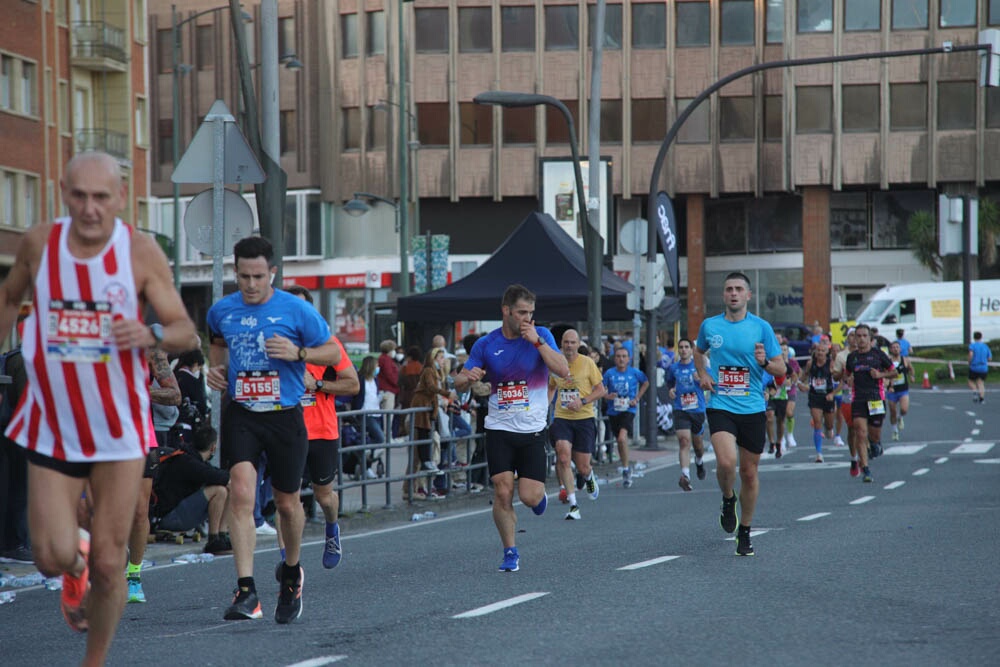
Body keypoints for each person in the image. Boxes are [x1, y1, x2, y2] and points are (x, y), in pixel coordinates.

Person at [0, 151, 198, 665]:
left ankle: (95, 660)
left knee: (113, 564)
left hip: (117, 426)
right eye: (80, 196)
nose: (90, 209)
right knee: (48, 555)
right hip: (53, 421)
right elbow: (8, 298)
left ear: (120, 199)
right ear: (63, 192)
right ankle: (74, 561)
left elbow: (184, 329)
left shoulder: (139, 252)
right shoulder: (39, 244)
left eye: (102, 198)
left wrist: (150, 331)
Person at [206, 235, 342, 625]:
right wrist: (216, 372)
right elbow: (217, 348)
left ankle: (292, 574)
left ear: (273, 274)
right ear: (236, 273)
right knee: (241, 494)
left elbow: (333, 352)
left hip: (285, 416)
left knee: (287, 504)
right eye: (244, 276)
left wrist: (299, 353)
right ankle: (247, 590)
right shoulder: (221, 311)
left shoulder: (296, 310)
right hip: (244, 413)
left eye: (259, 277)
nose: (251, 285)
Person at [455, 284, 568, 572]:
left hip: (531, 430)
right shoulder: (486, 344)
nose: (527, 318)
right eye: (521, 312)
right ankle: (510, 551)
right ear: (506, 311)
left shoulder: (541, 335)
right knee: (503, 491)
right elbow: (458, 381)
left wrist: (538, 343)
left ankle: (538, 498)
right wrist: (468, 377)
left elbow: (563, 370)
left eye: (531, 312)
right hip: (499, 428)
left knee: (528, 496)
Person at [694, 272, 784, 557]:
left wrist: (765, 362)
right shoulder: (710, 326)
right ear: (724, 296)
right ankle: (727, 497)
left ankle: (744, 530)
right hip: (721, 403)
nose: (733, 293)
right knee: (725, 461)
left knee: (748, 471)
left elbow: (781, 369)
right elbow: (698, 351)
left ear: (748, 295)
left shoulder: (761, 328)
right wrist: (702, 373)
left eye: (738, 289)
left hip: (752, 406)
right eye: (729, 289)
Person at [285, 284, 359, 570]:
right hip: (288, 431)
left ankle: (331, 529)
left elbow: (352, 385)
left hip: (322, 432)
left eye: (302, 308)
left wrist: (316, 384)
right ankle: (287, 562)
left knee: (323, 496)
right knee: (286, 499)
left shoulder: (328, 345)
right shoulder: (276, 345)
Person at [125, 345, 181, 604]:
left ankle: (133, 575)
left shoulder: (149, 350)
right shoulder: (91, 342)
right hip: (100, 434)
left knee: (139, 511)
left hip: (140, 438)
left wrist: (141, 391)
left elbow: (174, 394)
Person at [548, 329, 606, 520]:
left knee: (583, 467)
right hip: (562, 417)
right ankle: (573, 504)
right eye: (566, 342)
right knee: (563, 457)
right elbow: (551, 387)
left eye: (573, 342)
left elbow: (600, 390)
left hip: (583, 418)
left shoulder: (587, 363)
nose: (569, 346)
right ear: (561, 344)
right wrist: (542, 410)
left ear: (579, 344)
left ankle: (589, 478)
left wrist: (582, 401)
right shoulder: (555, 363)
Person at [150, 425, 231, 554]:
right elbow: (217, 476)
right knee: (220, 490)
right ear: (213, 447)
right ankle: (214, 539)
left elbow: (215, 473)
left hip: (171, 513)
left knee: (226, 487)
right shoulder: (189, 463)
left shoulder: (189, 458)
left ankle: (222, 536)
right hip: (170, 518)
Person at [840, 324, 896, 483]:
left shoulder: (879, 355)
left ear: (870, 339)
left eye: (865, 336)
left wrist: (880, 374)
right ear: (855, 339)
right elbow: (847, 376)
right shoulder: (852, 357)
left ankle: (876, 444)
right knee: (860, 432)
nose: (861, 339)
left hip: (876, 398)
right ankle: (865, 469)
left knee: (874, 434)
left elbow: (894, 372)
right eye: (858, 336)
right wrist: (847, 379)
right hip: (858, 399)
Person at [602, 346, 649, 489]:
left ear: (628, 359)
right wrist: (606, 396)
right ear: (614, 358)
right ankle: (626, 467)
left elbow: (646, 382)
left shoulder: (634, 372)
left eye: (624, 356)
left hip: (629, 409)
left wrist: (637, 398)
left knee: (622, 438)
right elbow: (601, 389)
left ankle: (626, 468)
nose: (621, 359)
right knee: (620, 441)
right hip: (613, 411)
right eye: (618, 356)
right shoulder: (609, 373)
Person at [410, 348, 454, 497]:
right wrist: (448, 394)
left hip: (428, 405)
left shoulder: (436, 373)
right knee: (423, 433)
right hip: (422, 405)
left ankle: (426, 463)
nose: (442, 361)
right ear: (433, 358)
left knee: (427, 433)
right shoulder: (429, 371)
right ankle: (425, 461)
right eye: (440, 358)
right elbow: (431, 387)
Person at [664, 339, 707, 490]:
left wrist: (701, 379)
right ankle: (685, 475)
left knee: (698, 445)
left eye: (686, 347)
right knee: (684, 441)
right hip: (680, 409)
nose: (683, 350)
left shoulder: (699, 366)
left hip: (697, 409)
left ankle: (699, 461)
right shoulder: (673, 368)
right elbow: (669, 382)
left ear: (692, 350)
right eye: (680, 347)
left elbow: (710, 383)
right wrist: (670, 389)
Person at [797, 343, 836, 462]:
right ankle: (819, 453)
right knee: (817, 422)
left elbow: (837, 379)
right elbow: (803, 377)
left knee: (829, 427)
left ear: (826, 353)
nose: (820, 353)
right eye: (818, 350)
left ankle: (828, 428)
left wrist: (833, 393)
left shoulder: (831, 364)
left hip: (827, 396)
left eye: (822, 351)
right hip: (814, 396)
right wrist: (800, 384)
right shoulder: (810, 363)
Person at [832, 328, 859, 471]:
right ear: (847, 338)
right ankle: (854, 458)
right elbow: (835, 377)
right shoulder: (841, 356)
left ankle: (866, 449)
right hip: (848, 395)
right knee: (852, 429)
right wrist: (841, 372)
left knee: (864, 427)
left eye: (858, 336)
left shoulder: (868, 354)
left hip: (866, 395)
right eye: (852, 336)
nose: (855, 339)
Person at [886, 341, 914, 441]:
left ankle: (900, 417)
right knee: (892, 412)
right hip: (892, 390)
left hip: (903, 389)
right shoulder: (888, 361)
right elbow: (885, 373)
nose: (896, 349)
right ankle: (894, 431)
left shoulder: (905, 360)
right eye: (893, 347)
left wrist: (912, 376)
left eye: (897, 347)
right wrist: (888, 384)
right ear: (890, 349)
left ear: (900, 349)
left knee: (904, 409)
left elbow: (911, 369)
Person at [376, 339, 400, 413]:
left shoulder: (381, 358)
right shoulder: (386, 360)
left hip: (383, 389)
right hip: (388, 390)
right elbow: (389, 375)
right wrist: (398, 383)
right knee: (388, 415)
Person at [968, 331, 992, 403]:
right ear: (981, 337)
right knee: (981, 383)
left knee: (970, 381)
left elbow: (971, 354)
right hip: (984, 367)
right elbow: (989, 358)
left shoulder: (972, 346)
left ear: (974, 337)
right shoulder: (985, 346)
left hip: (974, 367)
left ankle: (975, 391)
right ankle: (982, 398)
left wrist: (969, 362)